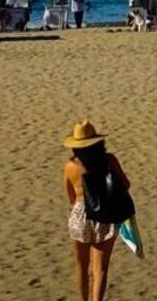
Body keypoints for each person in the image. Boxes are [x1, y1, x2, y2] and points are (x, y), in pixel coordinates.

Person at [62, 121, 132, 301]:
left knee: (81, 265)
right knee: (100, 268)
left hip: (79, 215)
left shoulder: (70, 166)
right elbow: (126, 184)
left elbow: (71, 197)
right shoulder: (109, 160)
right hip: (105, 215)